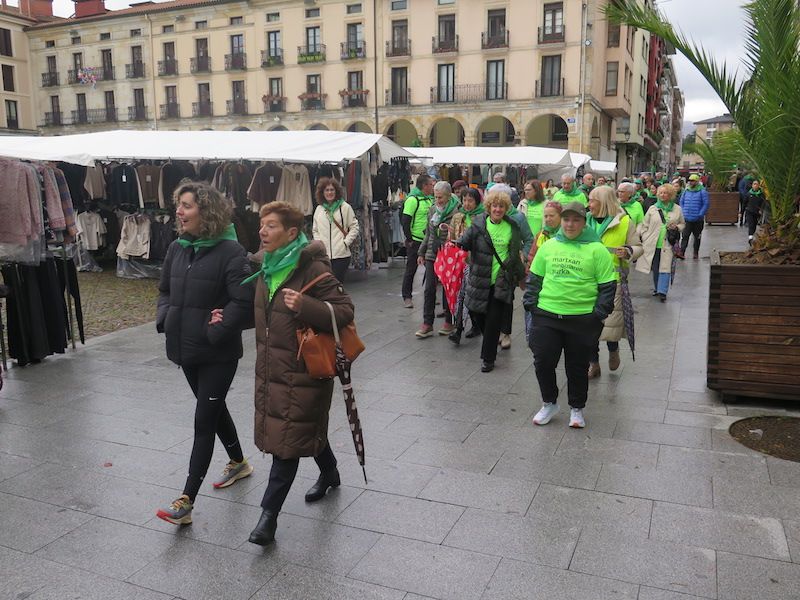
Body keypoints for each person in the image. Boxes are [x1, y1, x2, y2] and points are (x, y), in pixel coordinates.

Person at [246, 201, 354, 546]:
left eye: (271, 226)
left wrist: (305, 306)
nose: (263, 231)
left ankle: (268, 518)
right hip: (273, 371)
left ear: (292, 233)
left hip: (306, 372)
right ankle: (330, 472)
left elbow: (345, 311)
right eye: (262, 225)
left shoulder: (313, 268)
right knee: (298, 432)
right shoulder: (265, 267)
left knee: (287, 446)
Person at [155, 181, 255, 526]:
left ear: (206, 212)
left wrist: (216, 327)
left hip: (218, 352)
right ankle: (239, 461)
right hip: (186, 347)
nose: (179, 212)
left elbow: (244, 303)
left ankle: (186, 501)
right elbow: (165, 290)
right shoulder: (177, 249)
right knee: (213, 407)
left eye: (186, 206)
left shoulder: (231, 253)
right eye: (178, 205)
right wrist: (165, 318)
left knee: (203, 420)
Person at [523, 201, 616, 429]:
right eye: (566, 219)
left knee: (576, 366)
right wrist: (532, 306)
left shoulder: (596, 249)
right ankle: (549, 403)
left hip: (582, 319)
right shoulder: (549, 246)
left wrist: (598, 315)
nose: (570, 224)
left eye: (576, 220)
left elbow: (608, 285)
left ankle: (577, 408)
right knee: (543, 361)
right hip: (547, 315)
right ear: (561, 221)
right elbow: (534, 280)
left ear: (584, 222)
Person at [455, 189, 524, 372]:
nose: (498, 209)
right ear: (489, 207)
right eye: (495, 206)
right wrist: (455, 246)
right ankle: (491, 340)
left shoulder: (512, 227)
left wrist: (521, 276)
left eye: (501, 206)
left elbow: (516, 253)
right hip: (479, 279)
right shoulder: (478, 225)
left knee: (493, 320)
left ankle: (488, 358)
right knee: (477, 314)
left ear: (506, 208)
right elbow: (463, 242)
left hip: (501, 280)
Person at [585, 186, 643, 378]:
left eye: (592, 200)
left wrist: (628, 251)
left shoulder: (624, 222)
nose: (589, 204)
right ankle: (593, 363)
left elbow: (638, 247)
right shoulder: (585, 221)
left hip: (613, 280)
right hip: (586, 280)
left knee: (611, 324)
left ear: (603, 203)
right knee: (589, 324)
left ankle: (613, 350)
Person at [492, 183, 534, 350]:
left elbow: (529, 239)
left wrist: (520, 255)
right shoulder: (488, 216)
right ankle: (494, 331)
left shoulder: (518, 217)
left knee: (506, 299)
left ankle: (506, 333)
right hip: (490, 265)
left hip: (508, 266)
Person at [415, 181, 458, 338]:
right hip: (432, 254)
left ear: (448, 196)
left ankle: (449, 321)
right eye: (435, 197)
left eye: (440, 197)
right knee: (429, 289)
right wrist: (421, 252)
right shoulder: (432, 209)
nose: (437, 201)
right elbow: (428, 234)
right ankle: (427, 323)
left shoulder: (456, 212)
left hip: (448, 255)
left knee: (448, 289)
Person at [447, 187, 484, 344]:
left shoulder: (482, 217)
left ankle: (472, 326)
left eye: (470, 200)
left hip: (476, 262)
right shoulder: (457, 217)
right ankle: (459, 328)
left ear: (477, 201)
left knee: (469, 295)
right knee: (461, 294)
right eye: (464, 200)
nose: (467, 204)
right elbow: (452, 237)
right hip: (460, 261)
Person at [637, 183, 685, 302]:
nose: (663, 195)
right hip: (652, 243)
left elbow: (683, 224)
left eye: (666, 193)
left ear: (671, 195)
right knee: (656, 267)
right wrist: (644, 235)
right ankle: (657, 288)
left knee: (666, 267)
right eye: (661, 193)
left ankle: (662, 291)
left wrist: (677, 227)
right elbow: (644, 224)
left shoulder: (677, 209)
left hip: (668, 244)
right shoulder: (653, 209)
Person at [311, 176, 360, 283]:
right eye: (327, 190)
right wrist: (320, 244)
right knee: (325, 284)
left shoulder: (345, 207)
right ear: (322, 192)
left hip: (341, 255)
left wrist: (345, 243)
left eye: (332, 190)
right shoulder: (319, 209)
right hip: (324, 256)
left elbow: (354, 227)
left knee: (337, 284)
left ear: (336, 191)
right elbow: (315, 230)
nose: (329, 193)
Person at [401, 174, 434, 309]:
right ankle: (407, 297)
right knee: (411, 270)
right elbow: (405, 220)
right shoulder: (413, 200)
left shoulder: (429, 200)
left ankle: (430, 296)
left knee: (432, 271)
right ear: (424, 186)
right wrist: (409, 239)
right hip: (415, 241)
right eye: (431, 185)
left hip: (429, 241)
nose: (432, 187)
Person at [679, 173, 709, 259]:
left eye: (692, 181)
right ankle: (682, 252)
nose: (690, 182)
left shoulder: (702, 191)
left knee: (697, 237)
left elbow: (706, 204)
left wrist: (701, 214)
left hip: (698, 220)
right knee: (685, 236)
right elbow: (682, 201)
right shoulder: (686, 190)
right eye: (690, 181)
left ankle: (696, 253)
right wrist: (683, 211)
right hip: (687, 218)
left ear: (697, 181)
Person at [518, 179, 546, 244]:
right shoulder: (522, 203)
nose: (526, 192)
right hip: (525, 242)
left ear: (536, 191)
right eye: (525, 190)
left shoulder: (546, 204)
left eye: (529, 190)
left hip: (540, 241)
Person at [743, 179, 766, 244]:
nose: (755, 185)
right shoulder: (748, 194)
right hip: (749, 211)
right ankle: (750, 237)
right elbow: (744, 203)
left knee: (754, 224)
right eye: (754, 184)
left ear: (759, 185)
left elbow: (763, 203)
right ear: (752, 185)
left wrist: (761, 209)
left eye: (757, 184)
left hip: (757, 212)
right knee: (751, 224)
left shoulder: (761, 195)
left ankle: (752, 235)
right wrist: (741, 212)